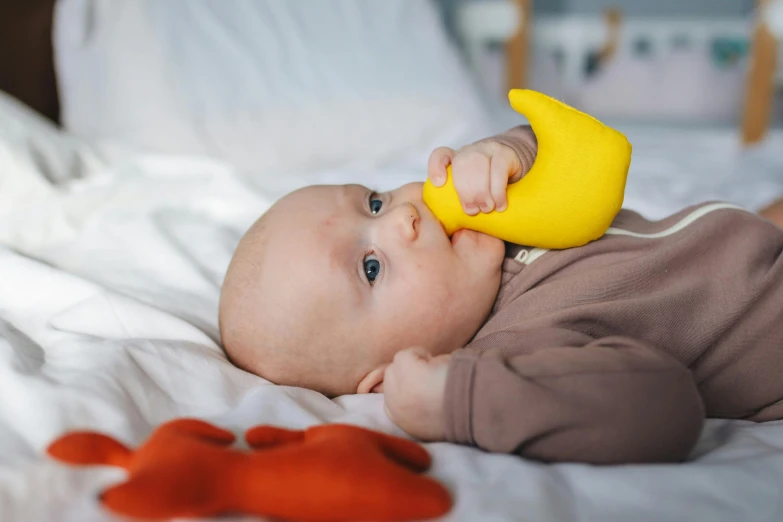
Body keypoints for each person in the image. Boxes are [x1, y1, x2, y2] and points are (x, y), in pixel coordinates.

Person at [219, 126, 783, 464]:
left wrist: (505, 154)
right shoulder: (518, 354)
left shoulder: (492, 230)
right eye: (371, 267)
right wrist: (461, 400)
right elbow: (664, 408)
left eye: (373, 203)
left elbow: (575, 162)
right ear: (388, 374)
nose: (404, 218)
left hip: (747, 244)